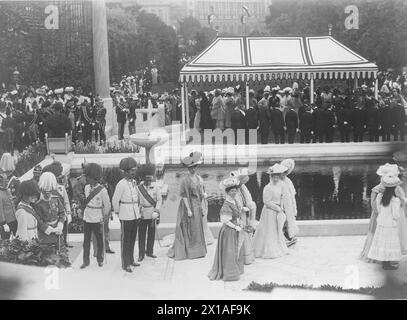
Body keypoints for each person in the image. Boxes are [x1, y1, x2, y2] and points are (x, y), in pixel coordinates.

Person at [360, 163, 407, 261]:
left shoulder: (379, 189)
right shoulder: (394, 189)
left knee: (378, 234)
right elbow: (401, 205)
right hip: (388, 217)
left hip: (380, 216)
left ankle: (377, 255)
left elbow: (374, 206)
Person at [168, 151, 207, 260]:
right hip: (188, 205)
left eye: (194, 167)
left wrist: (203, 205)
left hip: (197, 205)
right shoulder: (185, 180)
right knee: (190, 228)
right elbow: (184, 195)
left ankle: (199, 250)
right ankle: (190, 250)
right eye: (191, 167)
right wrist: (188, 209)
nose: (193, 169)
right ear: (188, 168)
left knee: (197, 227)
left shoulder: (199, 179)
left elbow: (202, 193)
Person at [208, 177, 245, 281]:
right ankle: (229, 273)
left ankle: (236, 269)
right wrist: (235, 226)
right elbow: (225, 220)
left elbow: (237, 213)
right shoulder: (226, 204)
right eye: (232, 191)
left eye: (235, 191)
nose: (234, 193)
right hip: (229, 230)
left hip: (236, 228)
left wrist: (239, 222)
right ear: (227, 192)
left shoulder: (234, 201)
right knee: (230, 251)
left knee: (236, 249)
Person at [253, 163, 289, 259]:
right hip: (269, 211)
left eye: (277, 176)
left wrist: (281, 207)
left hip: (278, 210)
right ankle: (267, 250)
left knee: (277, 229)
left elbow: (281, 197)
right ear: (271, 177)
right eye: (274, 177)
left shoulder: (280, 186)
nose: (276, 178)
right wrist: (277, 208)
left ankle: (279, 246)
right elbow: (266, 202)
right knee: (269, 230)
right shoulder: (267, 188)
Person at [367, 175, 404, 270]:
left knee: (382, 243)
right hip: (390, 225)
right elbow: (396, 215)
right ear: (394, 188)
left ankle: (384, 263)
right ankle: (388, 263)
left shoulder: (379, 196)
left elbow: (378, 210)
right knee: (389, 243)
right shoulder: (395, 200)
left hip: (381, 223)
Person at [112, 157, 140, 272]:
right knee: (126, 240)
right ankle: (125, 263)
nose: (134, 172)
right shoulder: (121, 184)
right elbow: (115, 200)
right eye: (132, 170)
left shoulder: (134, 182)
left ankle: (131, 259)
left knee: (133, 238)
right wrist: (118, 212)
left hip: (134, 214)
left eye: (134, 170)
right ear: (126, 171)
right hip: (125, 214)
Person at [80, 163, 111, 269]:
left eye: (88, 177)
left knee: (99, 240)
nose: (87, 179)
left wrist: (105, 218)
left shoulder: (103, 190)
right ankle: (86, 261)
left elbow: (107, 206)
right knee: (86, 241)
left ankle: (100, 259)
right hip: (87, 217)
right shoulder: (86, 187)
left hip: (97, 218)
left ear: (95, 178)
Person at [230, 169, 257, 265]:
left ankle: (247, 256)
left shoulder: (242, 188)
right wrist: (242, 208)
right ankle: (239, 257)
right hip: (238, 216)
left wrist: (250, 206)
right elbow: (233, 204)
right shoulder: (233, 190)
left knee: (245, 233)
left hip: (244, 215)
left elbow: (248, 199)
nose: (242, 183)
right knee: (240, 234)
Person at [137, 164, 162, 262]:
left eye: (150, 179)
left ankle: (150, 251)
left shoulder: (155, 187)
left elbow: (159, 200)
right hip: (143, 214)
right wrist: (138, 213)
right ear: (143, 178)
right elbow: (137, 202)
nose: (148, 182)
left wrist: (156, 211)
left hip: (152, 213)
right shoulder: (139, 188)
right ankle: (141, 254)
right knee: (141, 235)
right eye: (146, 179)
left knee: (151, 234)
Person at [34, 172, 66, 245]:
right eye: (45, 192)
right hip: (45, 234)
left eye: (50, 192)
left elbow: (62, 213)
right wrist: (48, 229)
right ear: (41, 189)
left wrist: (60, 225)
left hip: (58, 232)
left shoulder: (56, 199)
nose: (48, 194)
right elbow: (38, 220)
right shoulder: (38, 203)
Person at [280, 159, 299, 245]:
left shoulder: (288, 181)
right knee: (283, 221)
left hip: (289, 204)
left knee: (289, 221)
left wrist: (294, 208)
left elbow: (292, 196)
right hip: (281, 205)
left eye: (287, 170)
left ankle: (289, 236)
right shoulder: (277, 180)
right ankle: (284, 239)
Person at [0, 170, 17, 239]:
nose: (7, 181)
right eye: (5, 180)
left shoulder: (7, 190)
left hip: (14, 219)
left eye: (7, 179)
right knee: (5, 242)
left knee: (19, 239)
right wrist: (3, 223)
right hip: (6, 222)